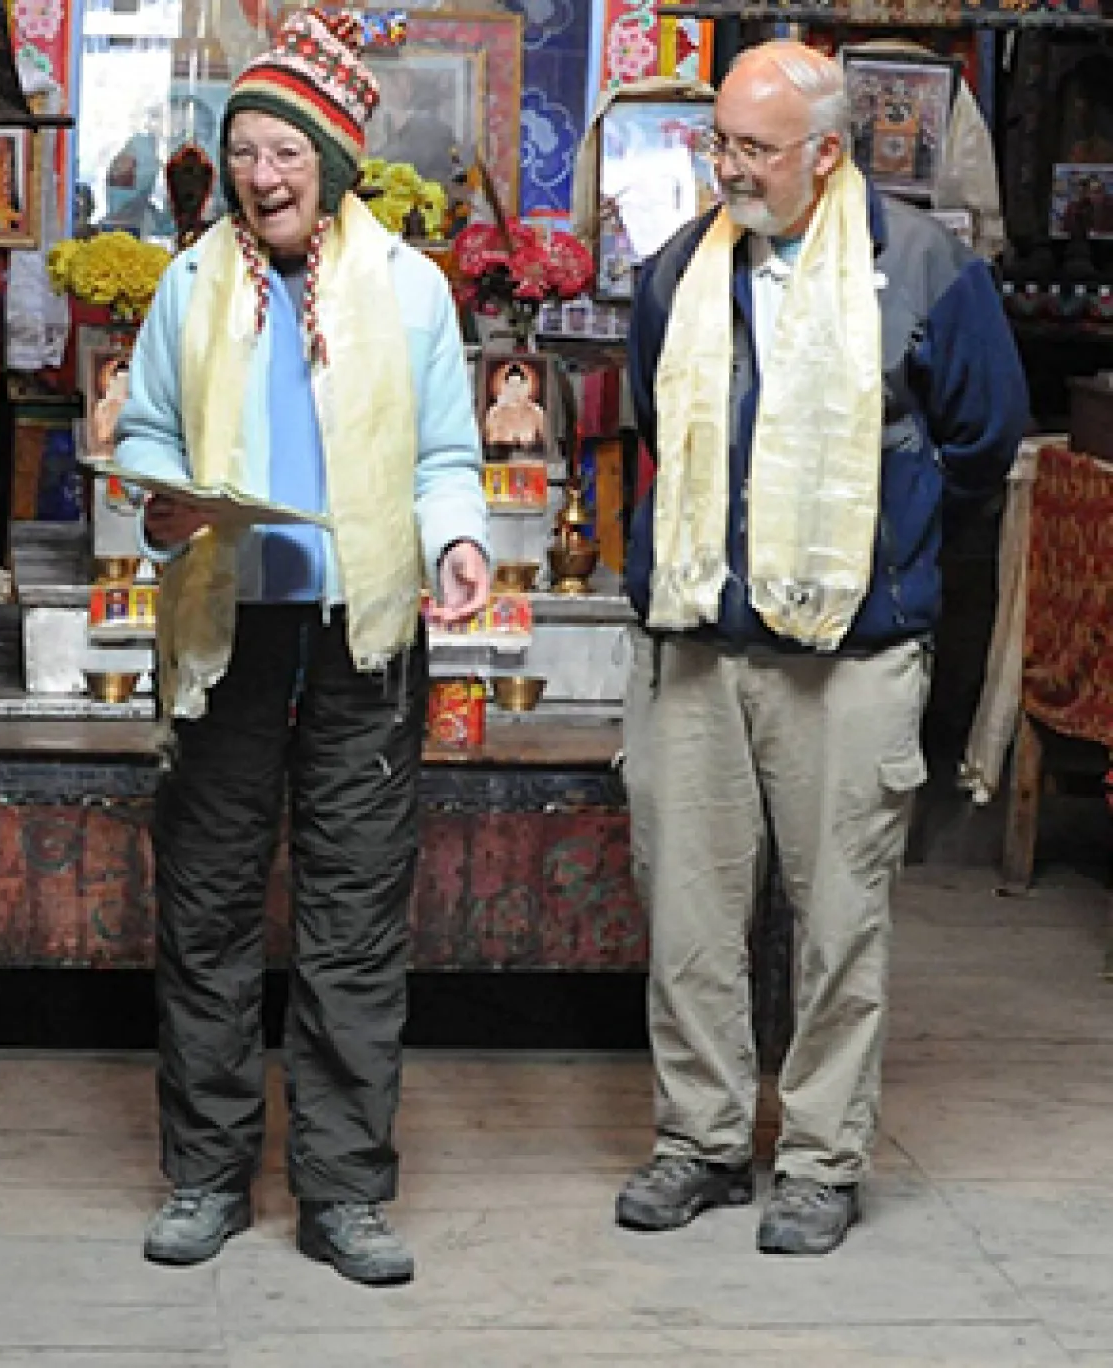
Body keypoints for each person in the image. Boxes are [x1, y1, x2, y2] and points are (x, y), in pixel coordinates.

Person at [616, 40, 1027, 1256]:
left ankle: (820, 1159)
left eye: (754, 148)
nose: (727, 168)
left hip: (851, 657)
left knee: (840, 917)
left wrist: (880, 562)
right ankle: (698, 1141)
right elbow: (656, 423)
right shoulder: (679, 273)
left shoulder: (927, 271)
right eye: (719, 143)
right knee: (687, 911)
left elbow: (982, 447)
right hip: (697, 643)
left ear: (830, 152)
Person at [114, 8, 489, 1286]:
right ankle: (209, 1175)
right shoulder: (188, 284)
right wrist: (160, 499)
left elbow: (447, 453)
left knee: (352, 912)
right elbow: (151, 437)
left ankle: (342, 1192)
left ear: (332, 161)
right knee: (210, 904)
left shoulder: (411, 289)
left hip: (363, 632)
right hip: (226, 628)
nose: (263, 176)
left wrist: (458, 543)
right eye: (247, 151)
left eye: (287, 152)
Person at [482, 360, 549, 454]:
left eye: (519, 386)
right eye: (511, 386)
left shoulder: (537, 413)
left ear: (527, 388)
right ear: (504, 388)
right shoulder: (494, 413)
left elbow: (547, 445)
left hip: (531, 460)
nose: (515, 391)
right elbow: (488, 444)